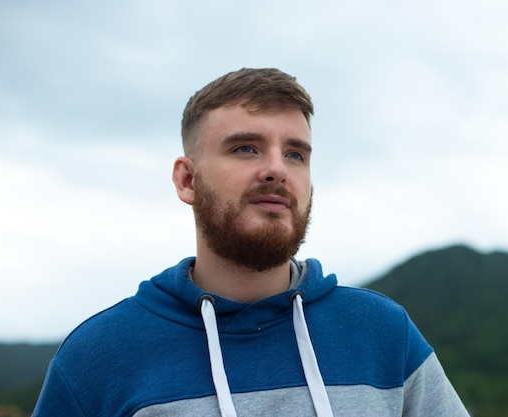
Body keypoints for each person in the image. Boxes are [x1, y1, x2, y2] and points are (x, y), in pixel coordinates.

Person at [33, 68, 470, 417]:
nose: (277, 169)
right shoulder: (100, 357)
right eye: (246, 148)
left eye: (296, 154)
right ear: (187, 180)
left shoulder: (382, 334)